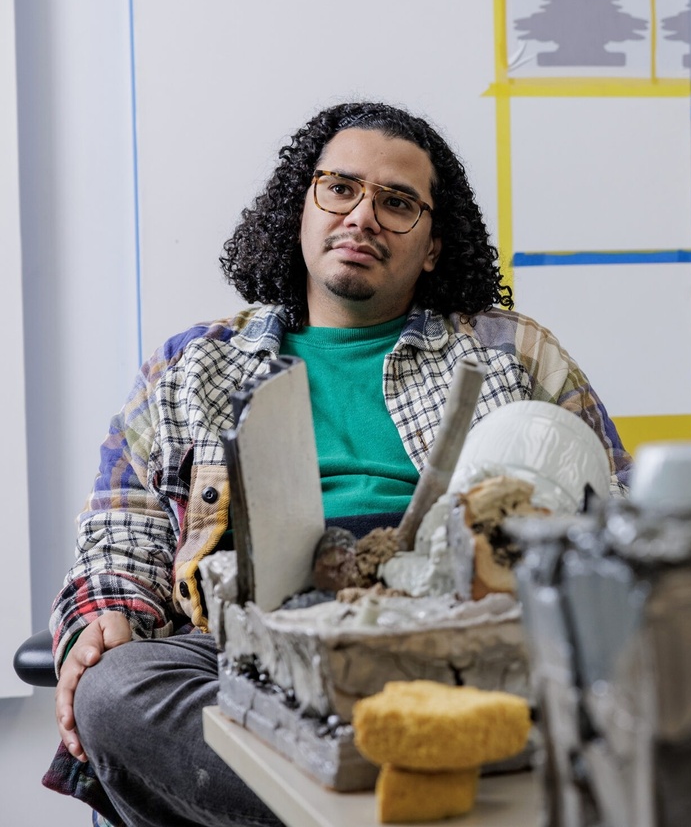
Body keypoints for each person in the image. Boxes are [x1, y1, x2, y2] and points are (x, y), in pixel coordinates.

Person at [44, 102, 632, 827]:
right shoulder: (192, 364)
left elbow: (619, 510)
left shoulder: (513, 352)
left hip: (458, 650)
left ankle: (368, 784)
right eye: (341, 189)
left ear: (435, 245)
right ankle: (406, 791)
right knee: (120, 689)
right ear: (303, 208)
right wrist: (106, 615)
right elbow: (118, 539)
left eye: (397, 203)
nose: (362, 217)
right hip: (248, 656)